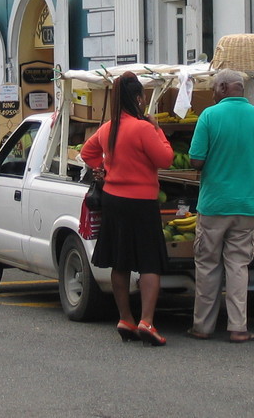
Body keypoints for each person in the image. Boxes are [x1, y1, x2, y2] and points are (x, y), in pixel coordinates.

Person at [80, 72, 174, 346]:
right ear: (137, 98)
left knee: (120, 261)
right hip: (142, 201)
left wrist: (103, 169)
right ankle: (147, 321)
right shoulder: (144, 128)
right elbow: (165, 159)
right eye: (142, 96)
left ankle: (125, 317)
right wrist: (159, 131)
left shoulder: (109, 128)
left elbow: (87, 153)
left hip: (113, 199)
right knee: (149, 261)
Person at [185, 68, 254, 343]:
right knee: (238, 266)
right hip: (249, 205)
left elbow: (196, 161)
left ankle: (202, 326)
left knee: (208, 265)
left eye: (213, 89)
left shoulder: (209, 116)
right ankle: (238, 327)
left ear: (223, 88)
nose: (212, 94)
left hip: (214, 204)